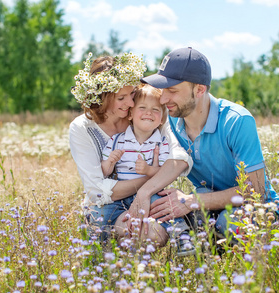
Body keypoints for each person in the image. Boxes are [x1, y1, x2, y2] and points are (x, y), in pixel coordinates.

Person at [141, 47, 279, 241]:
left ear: (199, 89)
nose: (163, 99)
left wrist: (191, 201)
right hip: (205, 201)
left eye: (172, 91)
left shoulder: (237, 121)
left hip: (255, 206)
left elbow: (256, 190)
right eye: (163, 90)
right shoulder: (171, 119)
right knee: (157, 206)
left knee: (228, 222)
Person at [69, 52, 192, 247]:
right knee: (130, 231)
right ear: (102, 98)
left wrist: (146, 192)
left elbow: (180, 155)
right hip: (109, 205)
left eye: (132, 95)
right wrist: (150, 179)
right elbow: (96, 192)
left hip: (149, 197)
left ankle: (180, 241)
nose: (130, 103)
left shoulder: (146, 115)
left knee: (148, 234)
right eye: (121, 98)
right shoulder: (82, 128)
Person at [101, 83, 195, 256]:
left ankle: (182, 236)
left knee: (163, 207)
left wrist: (148, 170)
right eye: (142, 108)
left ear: (162, 119)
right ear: (130, 114)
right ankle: (101, 246)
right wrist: (109, 163)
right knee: (103, 215)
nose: (148, 113)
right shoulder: (117, 140)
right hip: (122, 194)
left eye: (155, 110)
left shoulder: (161, 142)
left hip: (151, 192)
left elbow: (165, 173)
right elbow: (103, 172)